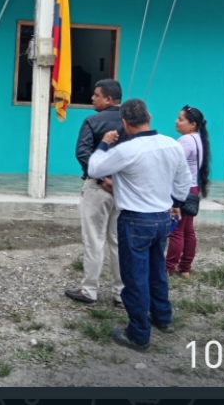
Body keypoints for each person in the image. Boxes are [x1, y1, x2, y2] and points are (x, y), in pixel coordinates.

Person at [88, 98, 192, 352]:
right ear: (149, 117)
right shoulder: (172, 144)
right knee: (157, 271)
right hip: (162, 217)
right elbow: (184, 182)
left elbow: (94, 169)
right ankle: (163, 317)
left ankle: (138, 333)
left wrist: (104, 143)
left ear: (124, 123)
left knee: (135, 277)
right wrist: (175, 202)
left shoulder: (126, 150)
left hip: (135, 220)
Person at [65, 78, 127, 308]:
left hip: (97, 187)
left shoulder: (92, 121)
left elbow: (82, 153)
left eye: (96, 95)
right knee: (119, 241)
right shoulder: (130, 122)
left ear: (108, 99)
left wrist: (102, 178)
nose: (92, 98)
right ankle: (121, 293)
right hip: (124, 189)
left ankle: (89, 290)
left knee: (94, 239)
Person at [166, 105, 211, 279]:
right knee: (188, 230)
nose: (176, 122)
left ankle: (169, 267)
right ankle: (185, 268)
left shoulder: (185, 141)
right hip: (193, 188)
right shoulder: (198, 138)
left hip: (182, 189)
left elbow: (172, 164)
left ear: (192, 125)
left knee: (176, 231)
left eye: (180, 119)